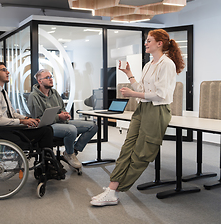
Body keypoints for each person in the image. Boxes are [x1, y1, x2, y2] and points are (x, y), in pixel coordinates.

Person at [90, 29, 185, 206]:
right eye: (146, 41)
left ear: (160, 43)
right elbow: (142, 88)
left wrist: (134, 94)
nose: (145, 43)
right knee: (127, 148)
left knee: (142, 153)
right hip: (143, 109)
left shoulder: (167, 64)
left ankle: (115, 189)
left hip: (157, 110)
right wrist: (129, 74)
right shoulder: (149, 65)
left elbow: (160, 95)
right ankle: (112, 188)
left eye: (149, 41)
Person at [27, 69, 98, 169]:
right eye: (47, 78)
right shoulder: (33, 96)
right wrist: (59, 117)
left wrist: (64, 113)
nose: (51, 79)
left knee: (93, 126)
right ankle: (69, 154)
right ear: (40, 81)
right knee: (71, 129)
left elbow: (62, 108)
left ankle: (72, 151)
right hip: (47, 127)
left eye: (51, 77)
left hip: (61, 122)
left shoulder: (54, 93)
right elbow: (38, 119)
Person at [0, 62, 55, 151]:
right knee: (46, 131)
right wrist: (22, 121)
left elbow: (12, 113)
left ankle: (46, 160)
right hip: (5, 132)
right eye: (4, 70)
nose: (8, 72)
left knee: (45, 128)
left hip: (11, 129)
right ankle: (47, 162)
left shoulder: (2, 92)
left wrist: (27, 118)